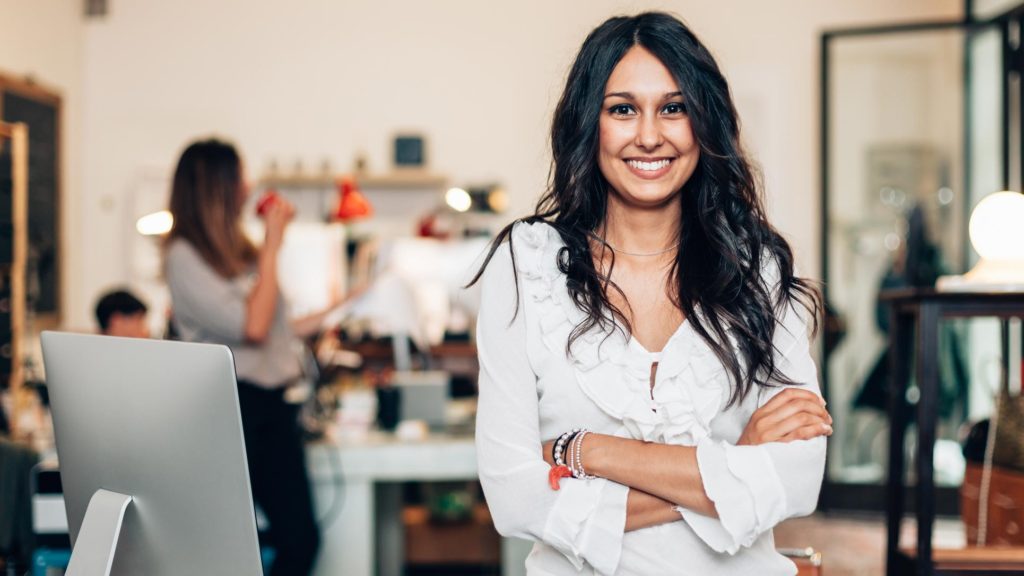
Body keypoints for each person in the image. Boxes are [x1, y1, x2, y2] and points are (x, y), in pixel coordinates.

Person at [471, 12, 831, 576]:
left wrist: (592, 452)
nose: (648, 135)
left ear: (703, 122)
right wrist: (735, 468)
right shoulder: (528, 265)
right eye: (622, 109)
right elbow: (515, 501)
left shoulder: (754, 267)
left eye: (673, 107)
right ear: (589, 124)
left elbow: (799, 480)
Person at [163, 138, 328, 576]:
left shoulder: (238, 252)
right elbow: (252, 328)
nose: (248, 186)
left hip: (270, 407)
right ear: (217, 186)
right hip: (230, 408)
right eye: (239, 176)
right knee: (243, 547)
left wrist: (344, 304)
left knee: (300, 539)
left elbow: (276, 327)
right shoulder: (183, 257)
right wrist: (273, 246)